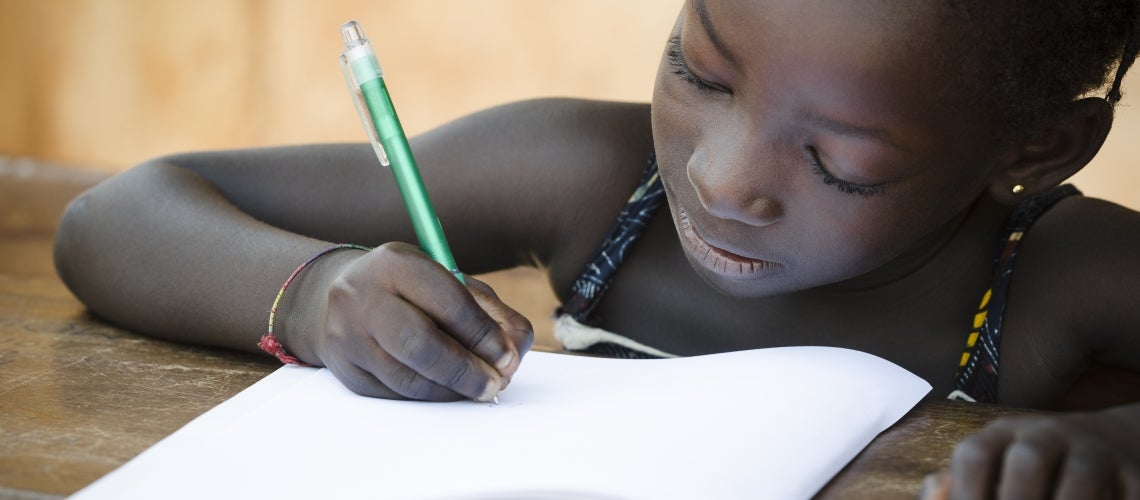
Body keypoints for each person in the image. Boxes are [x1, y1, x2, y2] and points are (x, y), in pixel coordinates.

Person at [54, 0, 1139, 497]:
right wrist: (316, 291)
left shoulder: (1054, 272)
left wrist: (1118, 446)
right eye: (701, 73)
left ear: (1037, 151)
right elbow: (115, 217)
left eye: (840, 160)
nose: (718, 176)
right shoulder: (586, 173)